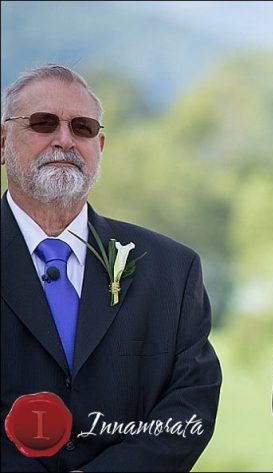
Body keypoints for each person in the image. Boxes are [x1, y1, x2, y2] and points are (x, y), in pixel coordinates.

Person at [1, 65, 221, 470]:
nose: (64, 140)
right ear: (2, 142)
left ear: (99, 145)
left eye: (82, 128)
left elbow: (191, 403)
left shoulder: (173, 270)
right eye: (43, 123)